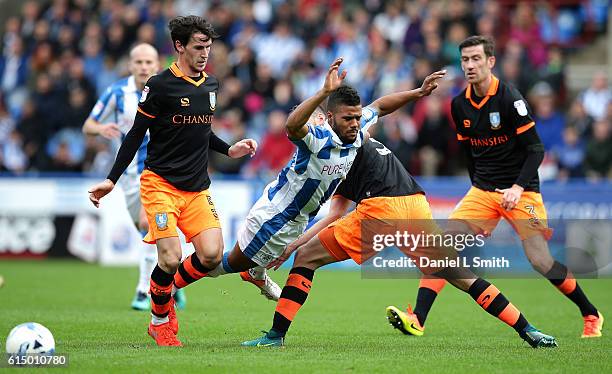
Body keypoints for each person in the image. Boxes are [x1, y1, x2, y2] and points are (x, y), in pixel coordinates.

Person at [241, 138, 557, 348]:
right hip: (416, 205)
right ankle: (528, 330)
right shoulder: (365, 139)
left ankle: (275, 336)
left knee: (307, 259)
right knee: (463, 277)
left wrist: (292, 245)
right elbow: (339, 209)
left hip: (381, 209)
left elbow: (335, 212)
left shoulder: (335, 153)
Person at [393, 35, 603, 339]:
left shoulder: (509, 98)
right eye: (465, 60)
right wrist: (478, 187)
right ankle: (417, 319)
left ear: (490, 61)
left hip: (522, 191)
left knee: (540, 261)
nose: (470, 65)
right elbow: (469, 153)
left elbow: (536, 151)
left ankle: (591, 313)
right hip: (483, 191)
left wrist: (517, 188)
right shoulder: (459, 105)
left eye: (476, 59)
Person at [187, 58, 445, 301]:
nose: (355, 123)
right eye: (346, 118)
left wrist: (417, 93)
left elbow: (379, 106)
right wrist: (322, 93)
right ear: (328, 119)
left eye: (356, 118)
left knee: (268, 256)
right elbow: (293, 126)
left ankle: (252, 272)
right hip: (277, 214)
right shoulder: (316, 141)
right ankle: (171, 282)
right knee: (228, 263)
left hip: (299, 220)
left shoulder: (351, 137)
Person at [88, 16, 257, 347]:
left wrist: (229, 148)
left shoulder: (209, 85)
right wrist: (111, 180)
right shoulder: (160, 85)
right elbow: (136, 134)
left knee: (211, 255)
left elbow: (202, 131)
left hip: (197, 189)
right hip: (160, 185)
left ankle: (165, 289)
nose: (205, 53)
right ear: (179, 47)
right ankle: (160, 319)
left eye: (208, 47)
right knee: (168, 257)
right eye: (198, 47)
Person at [82, 43, 186, 312]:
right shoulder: (116, 93)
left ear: (157, 65)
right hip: (127, 175)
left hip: (161, 170)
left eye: (148, 62)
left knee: (149, 222)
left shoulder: (169, 89)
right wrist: (102, 127)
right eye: (138, 62)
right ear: (130, 66)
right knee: (150, 232)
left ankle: (143, 291)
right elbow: (88, 125)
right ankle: (171, 282)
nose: (143, 67)